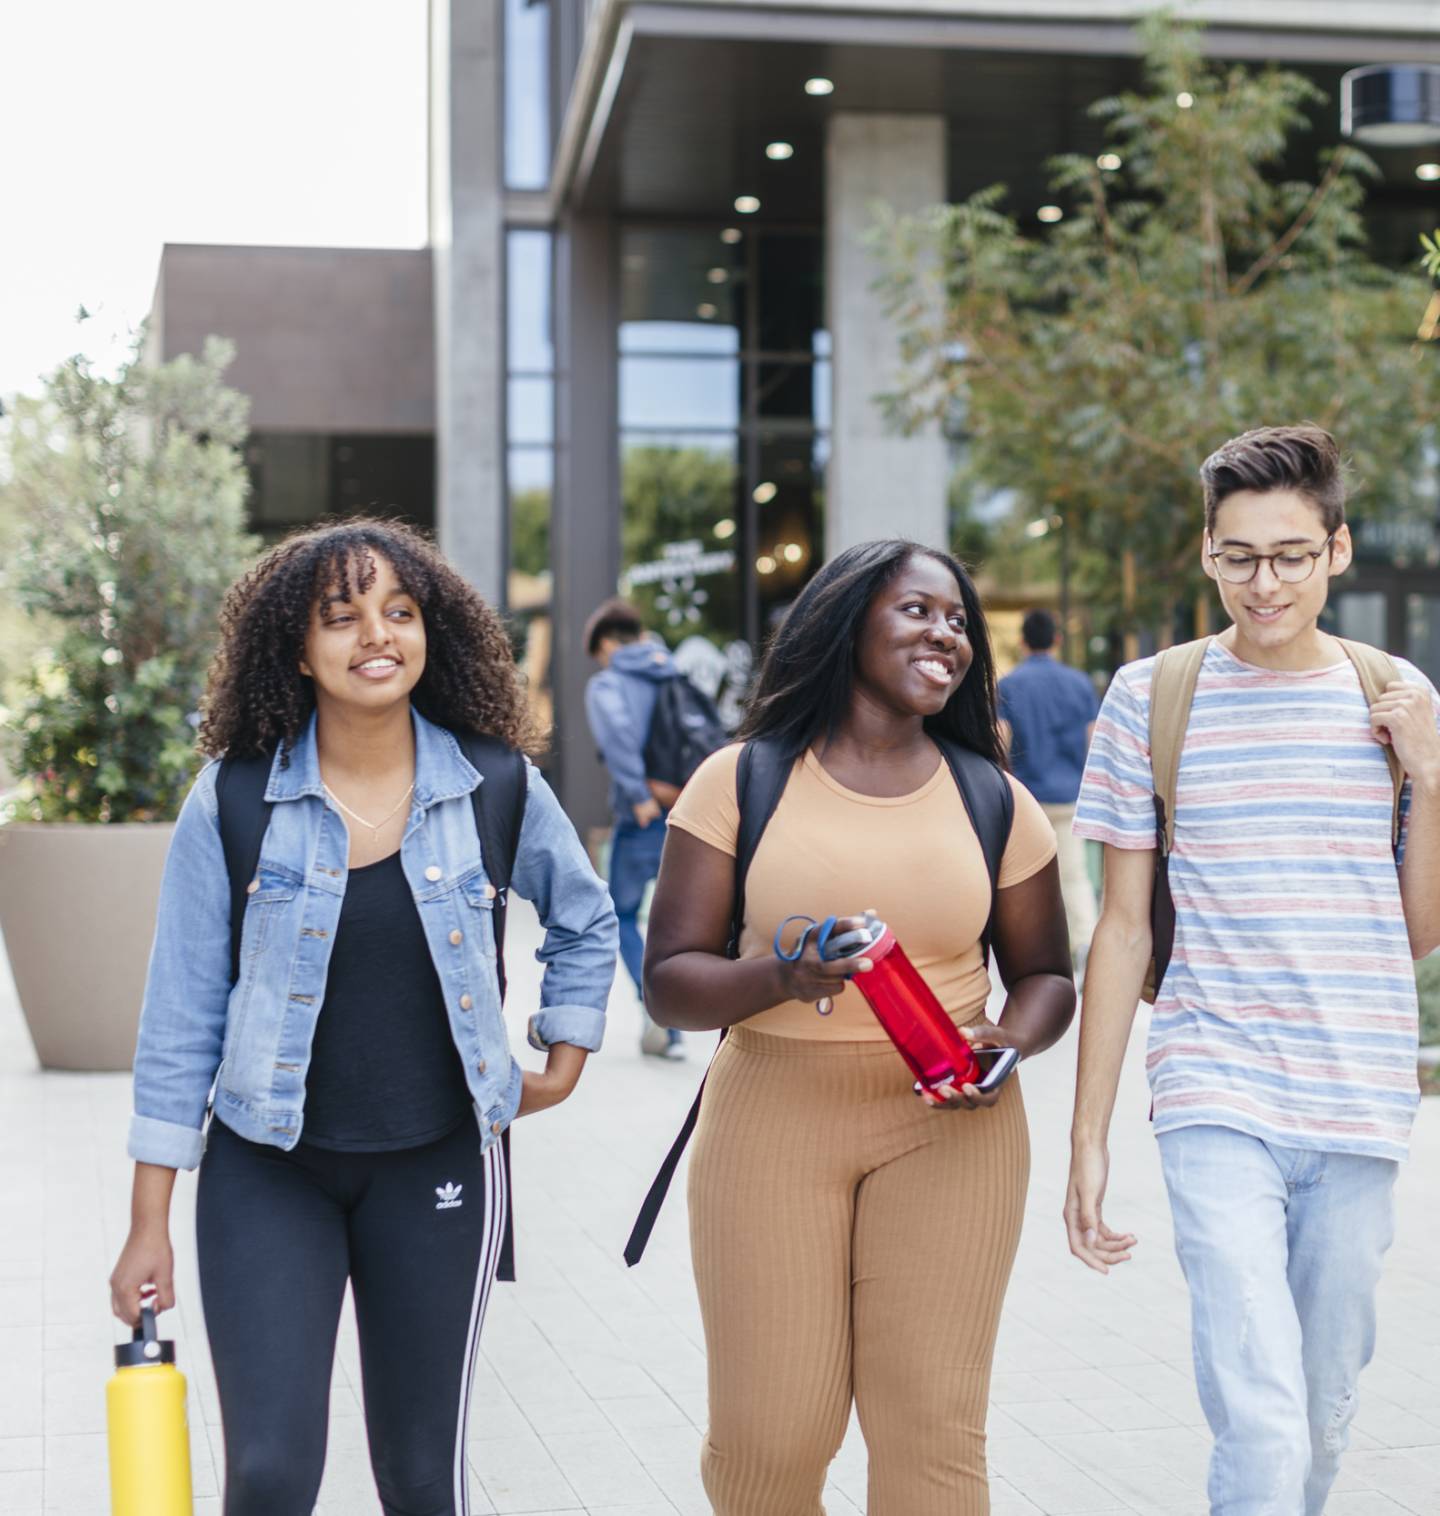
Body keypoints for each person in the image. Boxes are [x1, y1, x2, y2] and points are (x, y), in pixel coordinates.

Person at [108, 519, 618, 1516]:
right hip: (267, 1170)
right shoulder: (235, 798)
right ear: (296, 649)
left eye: (399, 610)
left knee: (424, 1481)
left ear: (433, 630)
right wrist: (146, 1224)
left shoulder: (493, 783)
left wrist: (564, 1052)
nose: (375, 635)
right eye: (340, 617)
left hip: (436, 1167)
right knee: (266, 1475)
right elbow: (178, 1015)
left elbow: (587, 917)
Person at [643, 539, 1075, 1514]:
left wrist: (1011, 1037)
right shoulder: (741, 778)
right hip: (772, 1119)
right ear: (847, 620)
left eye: (959, 618)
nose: (946, 632)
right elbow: (669, 980)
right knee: (773, 1438)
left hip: (951, 1126)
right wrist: (781, 975)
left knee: (930, 1430)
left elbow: (1047, 971)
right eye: (920, 609)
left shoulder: (992, 798)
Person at [1065, 425, 1440, 1516]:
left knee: (1318, 1413)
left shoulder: (1395, 697)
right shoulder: (1152, 696)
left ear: (1337, 550)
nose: (1263, 582)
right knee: (1265, 1414)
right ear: (1206, 554)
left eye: (1288, 554)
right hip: (1215, 1086)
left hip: (1358, 1097)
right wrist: (1087, 1139)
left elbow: (1414, 929)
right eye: (1239, 556)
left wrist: (1433, 774)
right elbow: (1123, 930)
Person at [584, 598, 684, 1059]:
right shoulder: (671, 669)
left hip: (642, 818)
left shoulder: (609, 684)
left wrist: (640, 797)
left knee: (619, 914)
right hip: (688, 811)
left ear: (606, 644)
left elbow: (619, 738)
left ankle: (658, 1011)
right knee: (676, 921)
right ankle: (676, 1018)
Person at [998, 608, 1100, 965]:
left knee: (1026, 878)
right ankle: (1084, 944)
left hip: (1029, 800)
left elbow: (1001, 741)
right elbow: (1094, 742)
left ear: (1023, 641)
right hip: (1071, 795)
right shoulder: (1080, 684)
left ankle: (1033, 950)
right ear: (1057, 640)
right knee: (1074, 876)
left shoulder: (1009, 685)